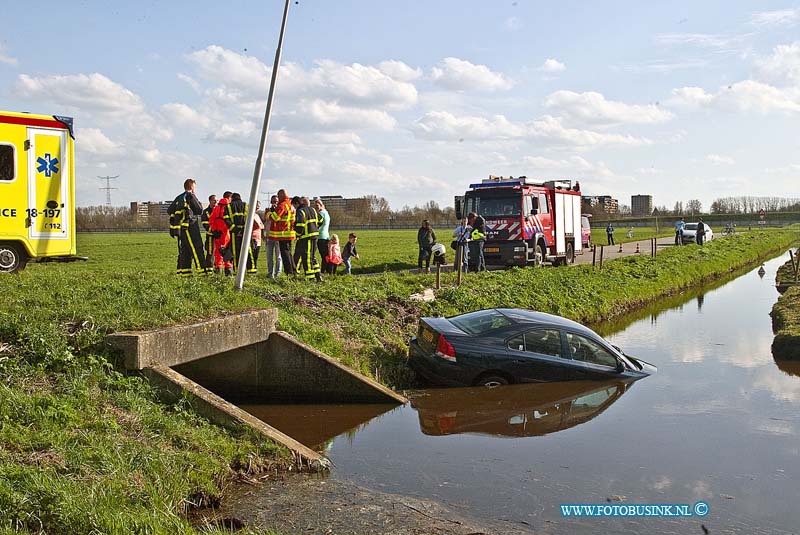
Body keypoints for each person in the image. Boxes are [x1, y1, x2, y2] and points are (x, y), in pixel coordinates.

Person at [168, 178, 212, 276]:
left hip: (181, 229)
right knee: (196, 248)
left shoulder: (179, 197)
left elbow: (169, 210)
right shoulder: (190, 196)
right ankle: (202, 271)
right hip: (190, 226)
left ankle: (185, 272)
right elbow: (199, 210)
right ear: (192, 187)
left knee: (185, 250)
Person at [225, 192, 256, 274]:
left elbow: (226, 220)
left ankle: (237, 272)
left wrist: (236, 230)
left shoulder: (228, 206)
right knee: (248, 251)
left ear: (232, 198)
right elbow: (250, 220)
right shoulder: (246, 205)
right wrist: (244, 231)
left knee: (236, 252)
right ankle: (251, 270)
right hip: (245, 232)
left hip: (234, 233)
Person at [292, 196, 322, 281]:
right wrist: (315, 228)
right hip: (315, 237)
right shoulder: (312, 209)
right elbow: (321, 220)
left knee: (307, 258)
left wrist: (297, 235)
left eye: (294, 206)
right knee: (312, 257)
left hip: (306, 238)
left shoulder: (300, 211)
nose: (294, 208)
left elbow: (300, 226)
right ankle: (318, 276)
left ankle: (310, 278)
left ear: (297, 204)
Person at [268, 189, 296, 275]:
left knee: (285, 254)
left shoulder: (282, 205)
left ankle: (289, 272)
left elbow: (275, 218)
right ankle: (293, 270)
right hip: (289, 233)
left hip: (283, 233)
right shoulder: (290, 205)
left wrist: (269, 213)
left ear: (281, 196)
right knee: (289, 253)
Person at [209, 191, 234, 276]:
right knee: (228, 253)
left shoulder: (216, 208)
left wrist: (214, 230)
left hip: (217, 234)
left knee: (218, 253)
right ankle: (228, 272)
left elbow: (211, 220)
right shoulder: (229, 208)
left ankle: (218, 272)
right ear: (229, 198)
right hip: (226, 234)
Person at [263, 194, 283, 278]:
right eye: (274, 201)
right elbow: (265, 221)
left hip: (278, 237)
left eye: (277, 201)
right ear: (271, 202)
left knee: (278, 256)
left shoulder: (280, 210)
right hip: (269, 236)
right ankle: (270, 273)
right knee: (269, 256)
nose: (275, 203)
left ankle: (278, 273)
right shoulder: (267, 210)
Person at [314, 198, 331, 275]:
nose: (316, 207)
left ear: (321, 205)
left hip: (321, 237)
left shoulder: (320, 214)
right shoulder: (326, 213)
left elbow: (317, 225)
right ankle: (328, 271)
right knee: (326, 255)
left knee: (324, 256)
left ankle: (323, 272)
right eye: (315, 206)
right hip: (326, 236)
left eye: (317, 206)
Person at [201, 194, 217, 265]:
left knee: (220, 252)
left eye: (217, 200)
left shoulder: (219, 210)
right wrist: (214, 230)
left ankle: (218, 269)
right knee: (210, 252)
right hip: (210, 236)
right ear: (210, 201)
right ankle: (209, 268)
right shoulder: (206, 212)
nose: (216, 202)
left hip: (219, 236)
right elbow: (205, 224)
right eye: (214, 200)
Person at [251, 201, 264, 267]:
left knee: (256, 256)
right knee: (253, 256)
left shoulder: (256, 215)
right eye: (257, 205)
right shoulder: (250, 215)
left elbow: (262, 226)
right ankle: (251, 270)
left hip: (258, 238)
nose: (258, 207)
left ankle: (254, 269)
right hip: (253, 237)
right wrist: (260, 225)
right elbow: (258, 225)